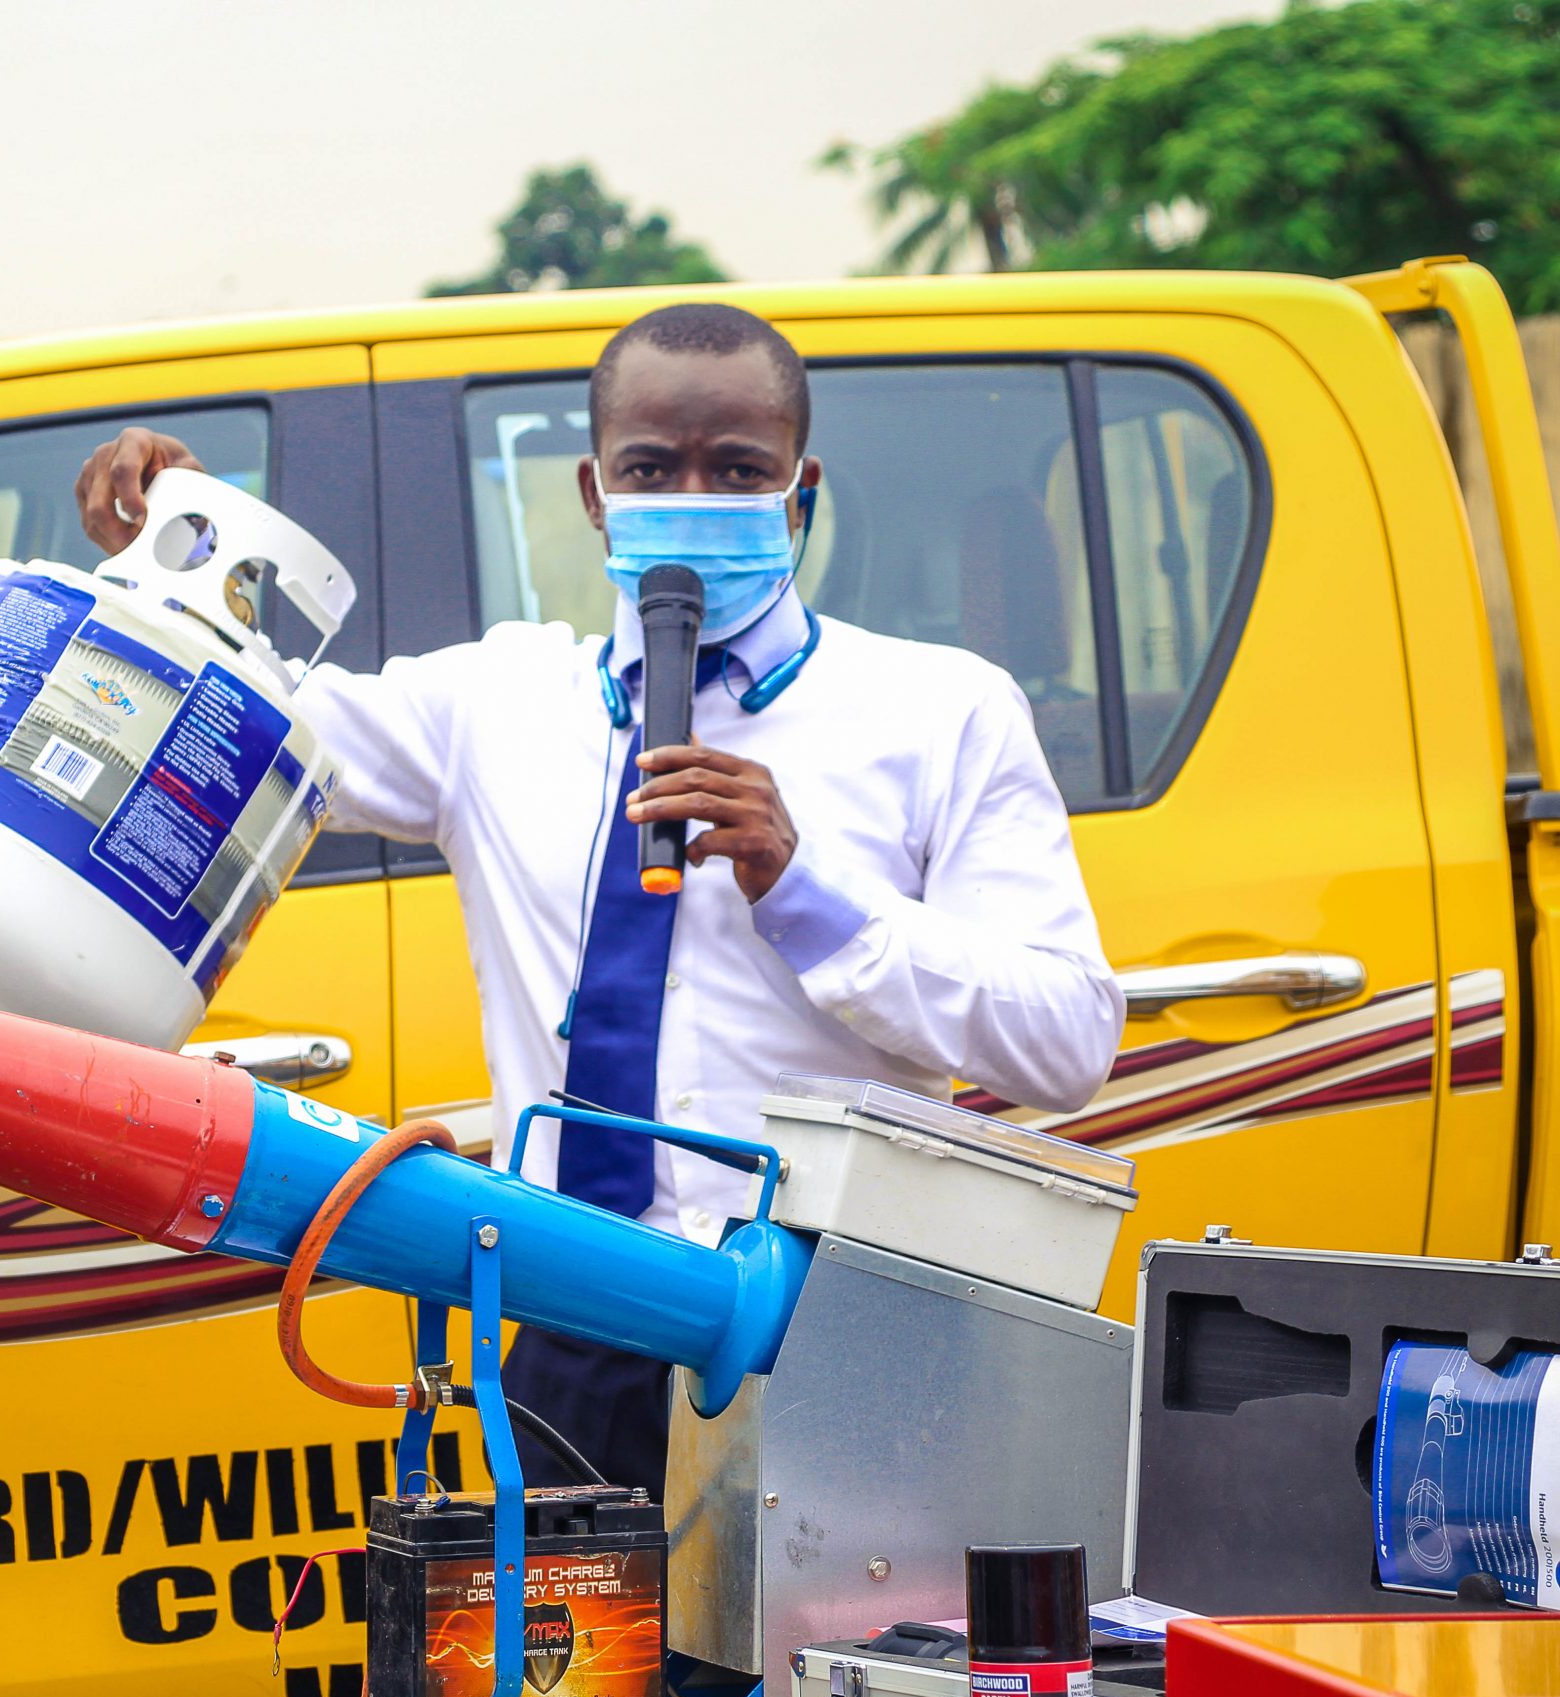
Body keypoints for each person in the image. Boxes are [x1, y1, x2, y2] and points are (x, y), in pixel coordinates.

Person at [74, 302, 1124, 1499]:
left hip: (835, 1323)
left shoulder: (940, 712)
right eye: (649, 468)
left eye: (735, 469)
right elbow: (223, 716)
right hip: (574, 1317)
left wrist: (809, 892)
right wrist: (176, 550)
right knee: (576, 1677)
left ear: (799, 485)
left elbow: (1067, 1042)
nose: (691, 494)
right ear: (591, 491)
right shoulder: (492, 707)